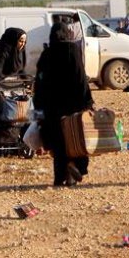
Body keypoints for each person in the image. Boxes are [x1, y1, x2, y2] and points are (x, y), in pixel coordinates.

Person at [36, 22, 94, 187]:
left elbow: (39, 81)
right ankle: (75, 168)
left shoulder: (46, 54)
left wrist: (38, 104)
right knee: (77, 138)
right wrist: (88, 102)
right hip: (73, 104)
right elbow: (80, 77)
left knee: (58, 141)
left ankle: (60, 176)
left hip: (52, 105)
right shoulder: (72, 50)